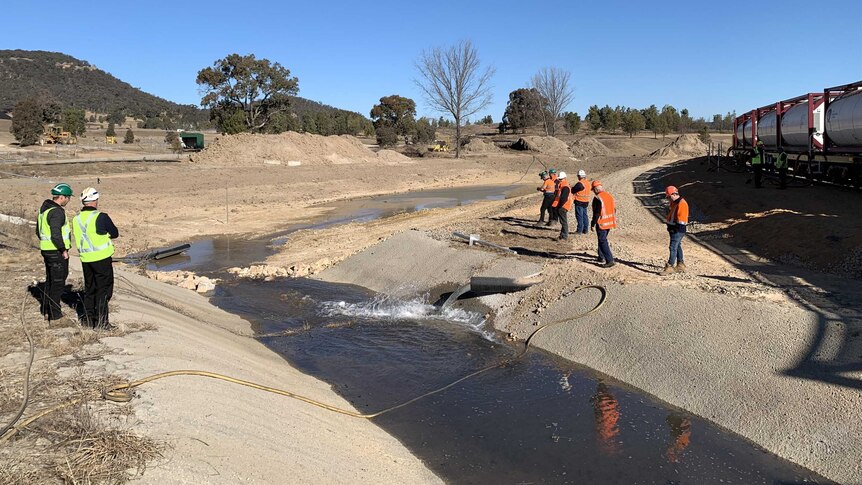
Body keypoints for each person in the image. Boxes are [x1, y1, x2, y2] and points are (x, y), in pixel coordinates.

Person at [72, 187, 119, 328]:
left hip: (86, 259)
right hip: (102, 259)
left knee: (90, 289)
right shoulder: (101, 216)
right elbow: (114, 233)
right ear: (95, 200)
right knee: (103, 291)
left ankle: (87, 320)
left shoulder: (76, 219)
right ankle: (102, 323)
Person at [37, 183, 73, 322]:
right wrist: (63, 250)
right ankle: (55, 314)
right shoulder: (56, 212)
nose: (68, 200)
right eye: (68, 197)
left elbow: (38, 232)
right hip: (56, 251)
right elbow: (55, 234)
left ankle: (46, 309)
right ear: (62, 197)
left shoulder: (44, 210)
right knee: (58, 282)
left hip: (46, 249)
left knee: (51, 280)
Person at [661, 185, 689, 275]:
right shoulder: (675, 203)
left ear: (674, 194)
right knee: (677, 246)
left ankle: (670, 266)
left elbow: (681, 221)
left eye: (669, 197)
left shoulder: (682, 204)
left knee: (673, 247)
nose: (668, 199)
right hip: (674, 229)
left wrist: (675, 229)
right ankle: (680, 264)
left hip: (677, 230)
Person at [590, 180, 616, 268]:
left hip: (602, 222)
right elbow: (614, 209)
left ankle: (609, 260)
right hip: (609, 222)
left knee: (602, 240)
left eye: (593, 190)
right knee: (602, 239)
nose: (593, 192)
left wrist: (593, 223)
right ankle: (601, 257)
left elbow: (596, 213)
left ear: (595, 189)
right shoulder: (609, 196)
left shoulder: (597, 198)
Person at [571, 169, 590, 234]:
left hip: (579, 201)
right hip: (586, 201)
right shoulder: (587, 183)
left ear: (579, 176)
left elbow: (573, 190)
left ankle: (579, 230)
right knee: (585, 215)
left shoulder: (580, 183)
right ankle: (585, 229)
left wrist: (571, 188)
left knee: (579, 216)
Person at [555, 171, 572, 240]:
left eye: (561, 179)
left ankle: (564, 236)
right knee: (563, 221)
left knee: (563, 221)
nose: (560, 180)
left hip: (563, 206)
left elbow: (563, 198)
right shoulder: (564, 185)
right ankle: (562, 235)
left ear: (564, 178)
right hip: (563, 205)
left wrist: (559, 206)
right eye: (559, 179)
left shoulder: (565, 187)